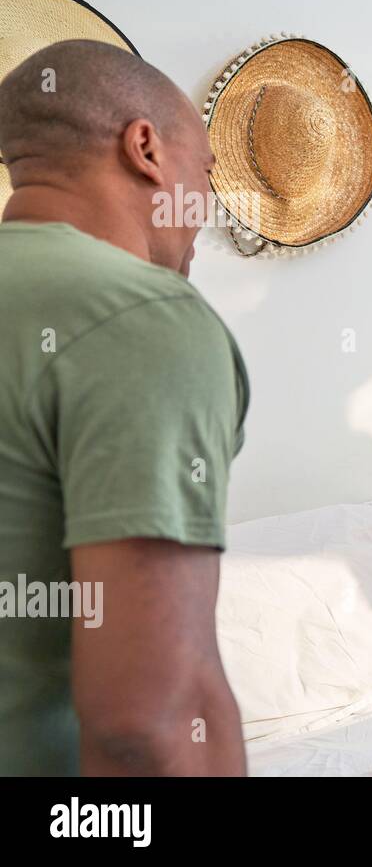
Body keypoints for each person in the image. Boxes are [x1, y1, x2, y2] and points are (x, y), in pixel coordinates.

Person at [0, 39, 249, 774]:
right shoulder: (146, 319)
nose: (206, 206)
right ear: (145, 148)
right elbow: (147, 722)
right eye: (205, 171)